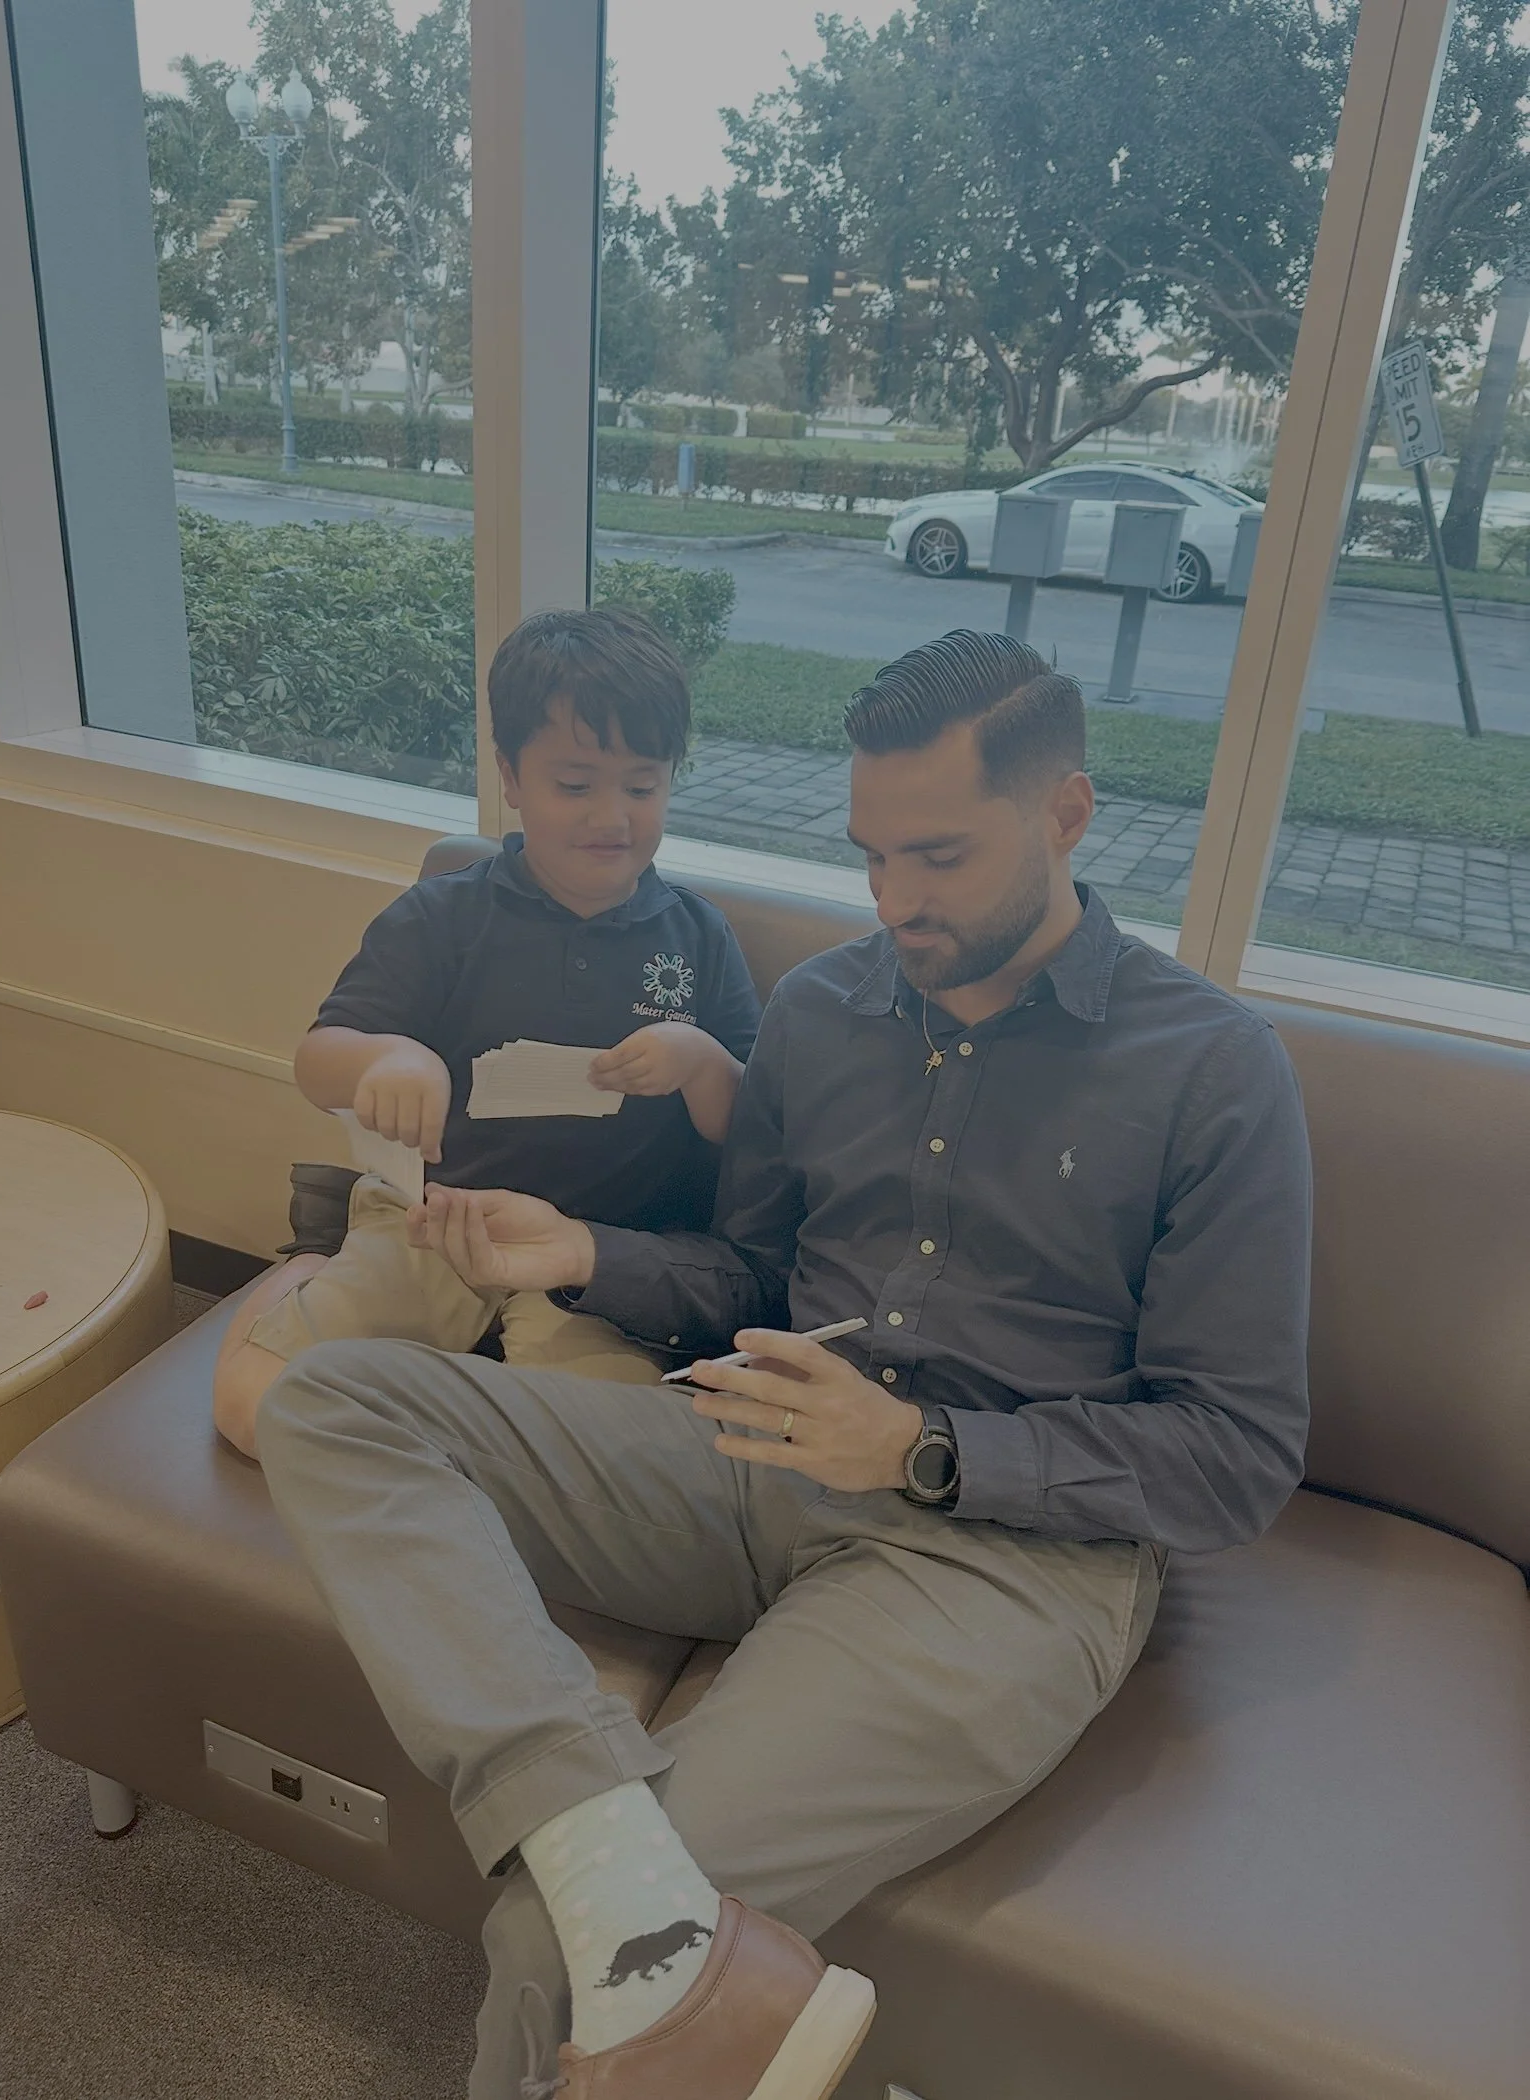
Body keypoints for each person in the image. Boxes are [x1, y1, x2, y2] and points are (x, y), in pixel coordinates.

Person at [253, 630, 1313, 2100]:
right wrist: (577, 1258)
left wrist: (922, 1448)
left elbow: (1235, 1451)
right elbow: (749, 1279)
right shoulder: (823, 1010)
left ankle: (594, 1895)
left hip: (1001, 1561)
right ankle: (584, 1821)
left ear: (1067, 815)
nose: (896, 905)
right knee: (333, 1397)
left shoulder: (1212, 1071)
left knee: (561, 1954)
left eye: (937, 859)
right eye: (874, 858)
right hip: (744, 1453)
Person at [213, 606, 761, 1458]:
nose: (611, 817)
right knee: (253, 1412)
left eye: (643, 787)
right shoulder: (446, 917)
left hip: (597, 1254)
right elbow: (318, 1062)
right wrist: (389, 1056)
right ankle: (305, 1279)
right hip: (436, 1223)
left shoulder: (698, 937)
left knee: (615, 1474)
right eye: (574, 786)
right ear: (510, 775)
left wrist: (698, 1061)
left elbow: (749, 1131)